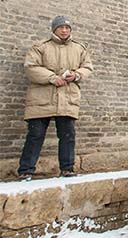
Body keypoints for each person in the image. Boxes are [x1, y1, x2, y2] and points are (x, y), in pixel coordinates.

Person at [18, 16, 93, 180]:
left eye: (67, 28)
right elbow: (31, 67)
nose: (64, 30)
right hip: (41, 98)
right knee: (35, 134)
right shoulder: (40, 47)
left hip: (67, 98)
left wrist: (76, 75)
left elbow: (87, 67)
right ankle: (26, 170)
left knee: (68, 135)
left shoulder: (79, 48)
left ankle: (67, 168)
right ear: (54, 29)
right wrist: (52, 77)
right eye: (61, 27)